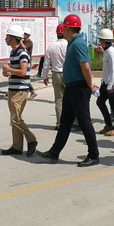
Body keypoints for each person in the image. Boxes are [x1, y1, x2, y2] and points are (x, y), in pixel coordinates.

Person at [38, 14, 100, 167]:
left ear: (68, 28)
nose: (62, 31)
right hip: (71, 88)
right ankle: (54, 152)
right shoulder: (72, 43)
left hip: (79, 88)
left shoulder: (78, 44)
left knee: (84, 122)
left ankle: (94, 155)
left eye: (64, 28)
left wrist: (90, 85)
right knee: (65, 122)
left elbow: (85, 67)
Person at [1, 24, 38, 156]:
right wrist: (8, 72)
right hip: (13, 88)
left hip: (20, 90)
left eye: (7, 36)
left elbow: (22, 72)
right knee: (15, 118)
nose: (5, 38)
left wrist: (9, 69)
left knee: (15, 119)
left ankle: (31, 139)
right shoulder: (13, 52)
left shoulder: (23, 53)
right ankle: (17, 146)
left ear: (13, 38)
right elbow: (15, 71)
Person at [95, 28, 114, 136]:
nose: (99, 42)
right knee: (100, 102)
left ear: (103, 40)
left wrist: (110, 85)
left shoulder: (111, 52)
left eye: (100, 40)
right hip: (106, 82)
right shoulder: (107, 51)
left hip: (112, 82)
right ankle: (109, 124)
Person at [42, 23, 67, 129]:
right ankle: (70, 122)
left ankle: (59, 123)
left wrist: (44, 76)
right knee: (70, 99)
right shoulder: (69, 45)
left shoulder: (51, 46)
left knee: (58, 100)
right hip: (68, 74)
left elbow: (46, 63)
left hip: (56, 74)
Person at [22, 28, 38, 100]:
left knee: (25, 78)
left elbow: (24, 47)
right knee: (24, 78)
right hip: (23, 61)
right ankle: (31, 91)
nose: (23, 35)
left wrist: (20, 41)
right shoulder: (23, 41)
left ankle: (32, 91)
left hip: (27, 62)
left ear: (28, 35)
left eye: (24, 34)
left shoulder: (29, 42)